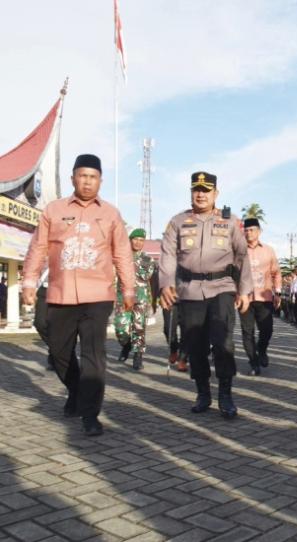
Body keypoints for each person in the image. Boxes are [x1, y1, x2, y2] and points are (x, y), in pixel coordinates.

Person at [22, 154, 135, 436]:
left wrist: (129, 288)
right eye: (82, 176)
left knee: (93, 354)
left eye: (93, 177)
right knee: (59, 352)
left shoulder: (111, 214)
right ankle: (76, 390)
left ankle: (90, 414)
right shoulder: (53, 210)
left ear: (100, 181)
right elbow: (38, 248)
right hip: (60, 294)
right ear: (73, 178)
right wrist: (29, 282)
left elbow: (122, 253)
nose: (87, 182)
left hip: (98, 295)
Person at [159, 171, 252, 419]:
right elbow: (167, 255)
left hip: (222, 287)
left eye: (206, 190)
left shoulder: (230, 221)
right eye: (196, 190)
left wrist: (244, 290)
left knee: (223, 343)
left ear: (215, 193)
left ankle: (225, 395)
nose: (200, 194)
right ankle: (203, 393)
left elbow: (242, 257)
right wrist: (166, 284)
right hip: (189, 291)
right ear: (191, 192)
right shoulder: (178, 221)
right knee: (195, 345)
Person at [241, 217, 281, 376]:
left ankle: (262, 349)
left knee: (267, 329)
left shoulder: (268, 250)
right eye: (246, 230)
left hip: (265, 298)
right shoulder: (238, 250)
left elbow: (276, 273)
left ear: (259, 231)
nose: (248, 233)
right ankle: (253, 362)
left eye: (251, 230)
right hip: (244, 299)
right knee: (247, 332)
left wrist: (277, 292)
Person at [114, 228, 156, 370]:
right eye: (136, 239)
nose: (138, 242)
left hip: (140, 298)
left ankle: (138, 355)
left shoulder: (147, 259)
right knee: (120, 329)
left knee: (139, 327)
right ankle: (126, 345)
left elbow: (147, 276)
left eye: (141, 240)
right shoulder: (120, 257)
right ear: (130, 240)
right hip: (123, 298)